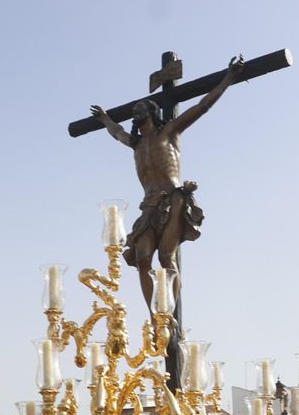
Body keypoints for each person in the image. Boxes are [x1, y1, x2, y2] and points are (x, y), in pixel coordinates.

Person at [88, 54, 244, 312]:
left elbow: (202, 106)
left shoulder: (169, 132)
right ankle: (155, 317)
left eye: (141, 108)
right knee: (142, 257)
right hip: (149, 206)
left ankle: (168, 313)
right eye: (134, 110)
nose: (135, 111)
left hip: (173, 198)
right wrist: (105, 119)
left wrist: (228, 78)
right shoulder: (136, 143)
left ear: (151, 112)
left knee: (166, 256)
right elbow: (117, 133)